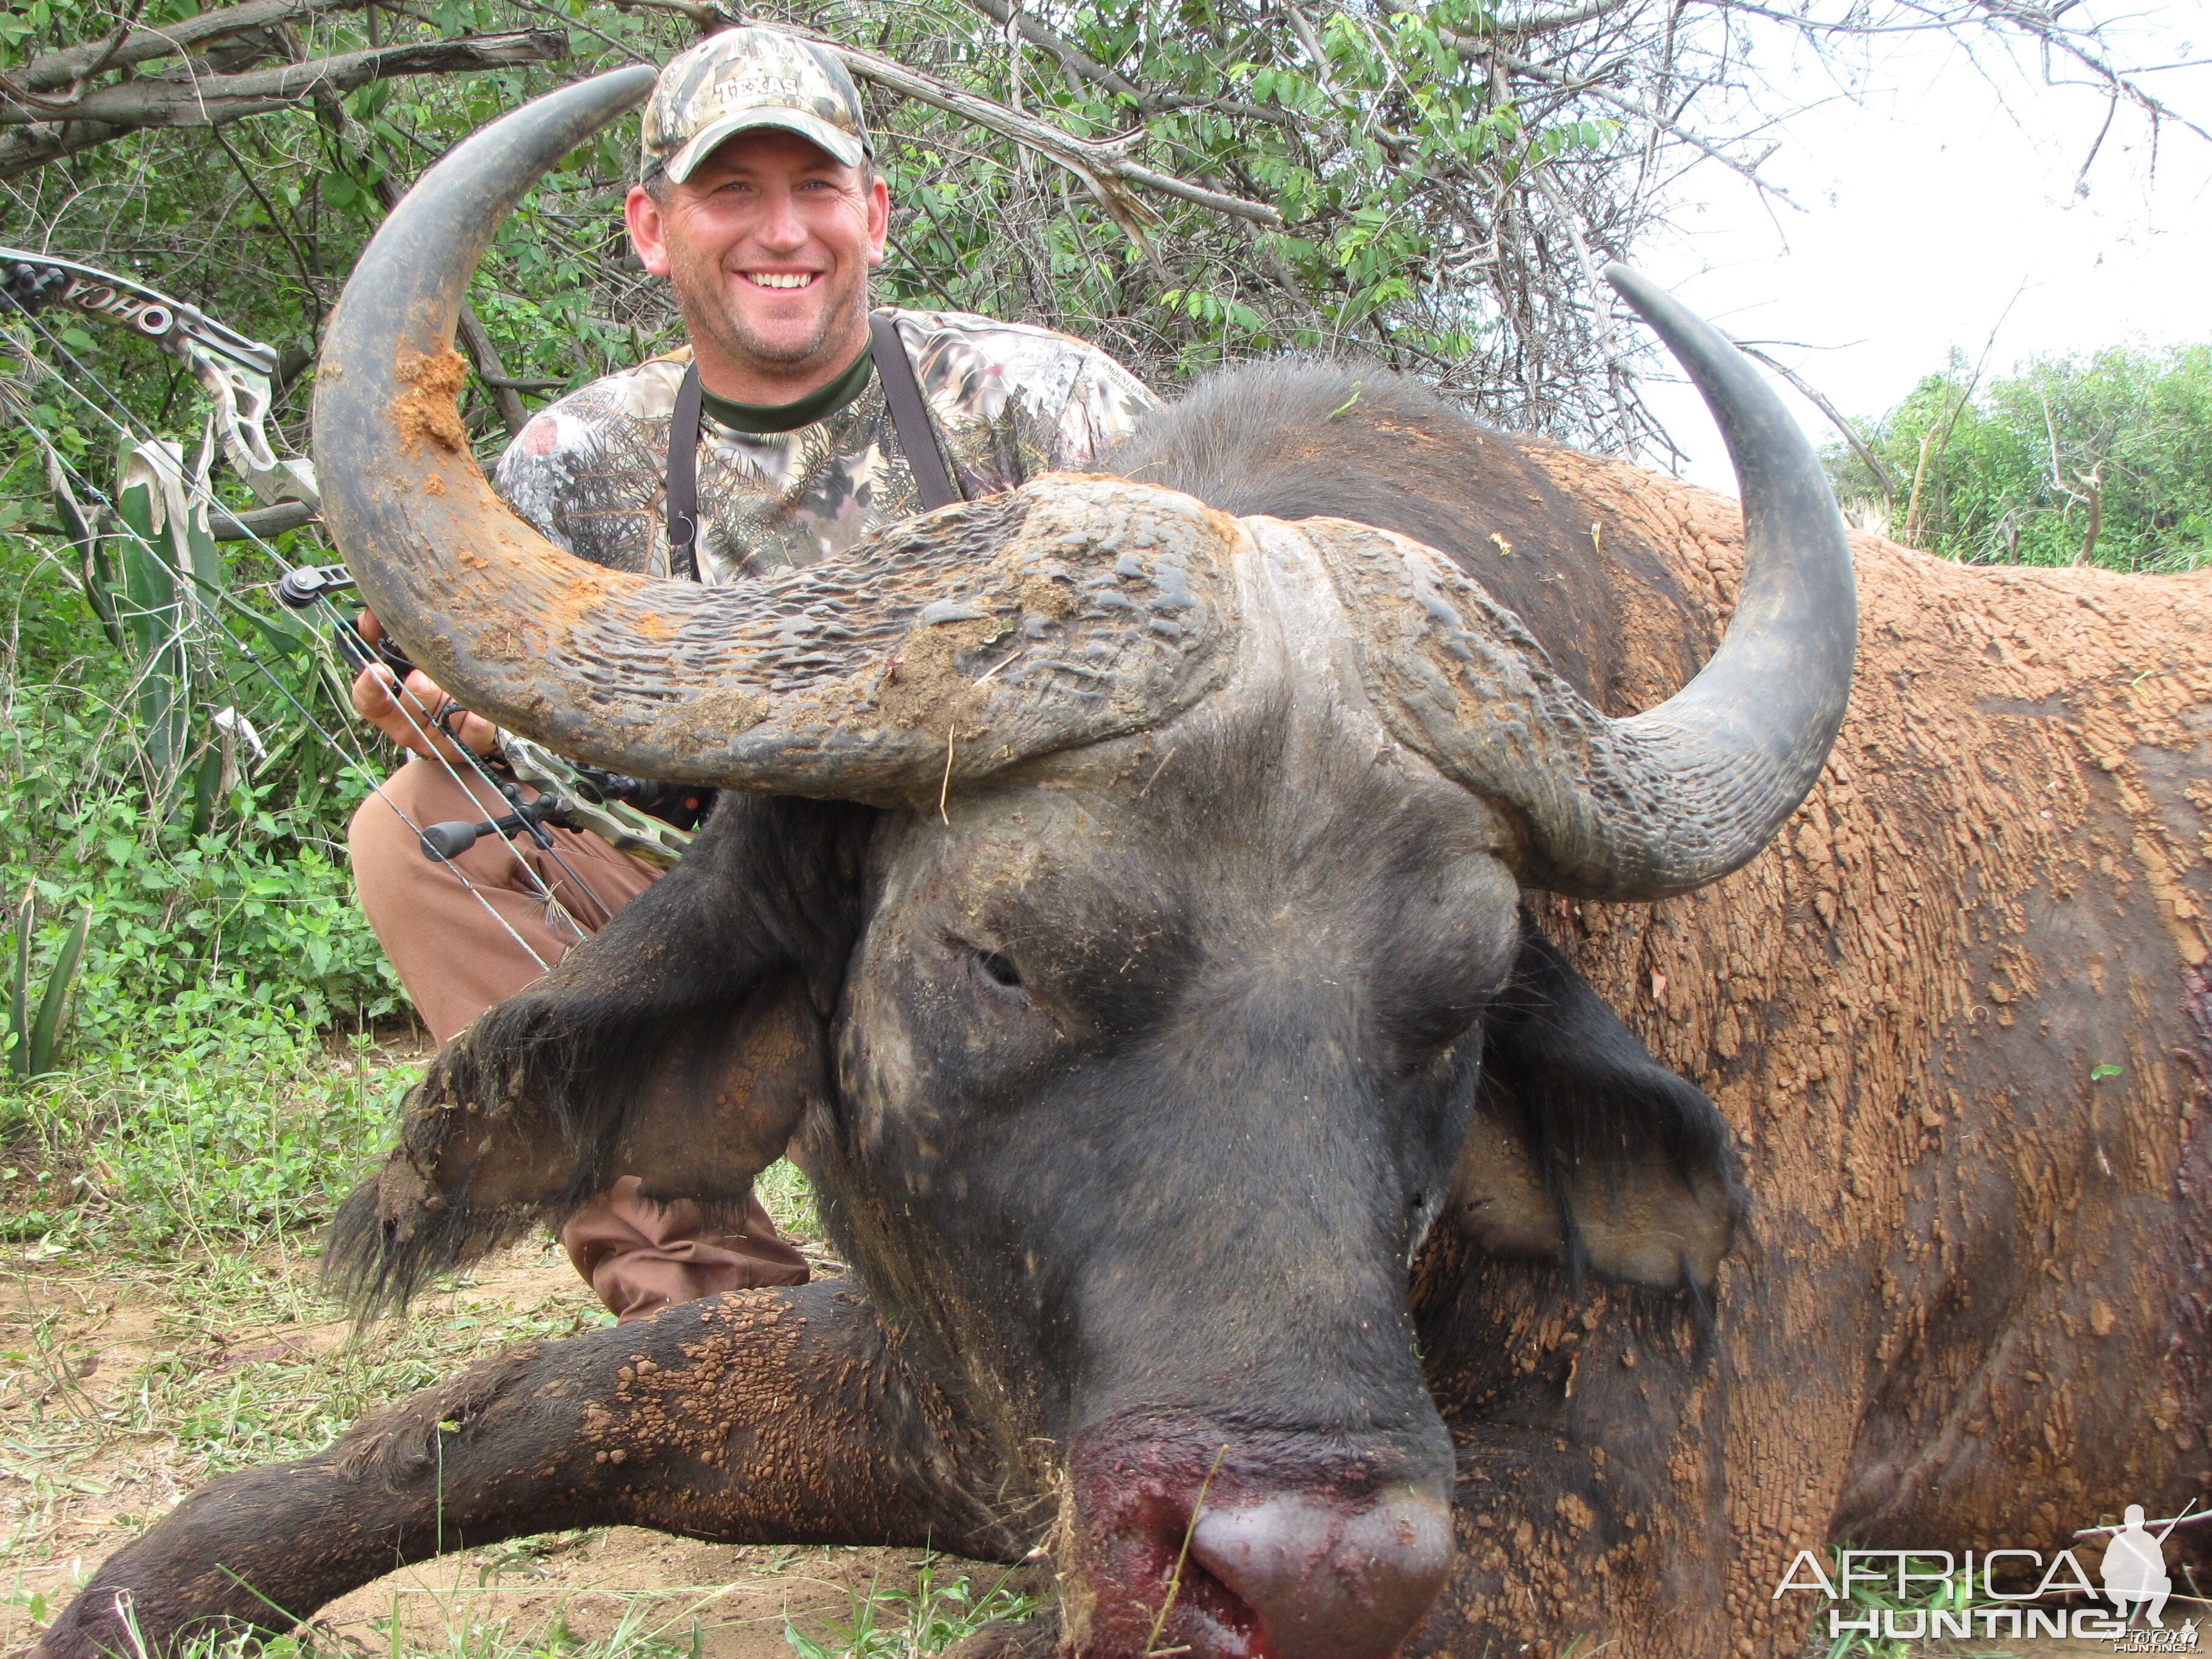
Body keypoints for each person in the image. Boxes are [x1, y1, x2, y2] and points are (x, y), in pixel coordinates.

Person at [346, 24, 1157, 1321]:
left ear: (874, 215)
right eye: (732, 192)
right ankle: (719, 1323)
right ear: (652, 228)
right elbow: (480, 698)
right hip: (739, 927)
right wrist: (448, 704)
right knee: (418, 831)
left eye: (816, 189)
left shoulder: (1037, 404)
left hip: (1028, 941)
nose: (782, 231)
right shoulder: (574, 460)